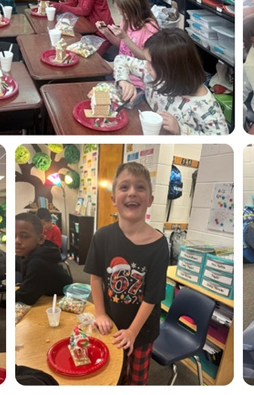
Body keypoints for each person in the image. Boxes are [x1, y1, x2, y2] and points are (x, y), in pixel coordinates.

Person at [84, 161, 168, 384]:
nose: (132, 192)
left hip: (142, 330)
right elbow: (96, 278)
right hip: (112, 323)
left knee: (136, 380)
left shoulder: (159, 244)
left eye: (140, 187)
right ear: (113, 199)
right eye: (124, 187)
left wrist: (132, 332)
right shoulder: (101, 236)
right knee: (113, 375)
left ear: (150, 200)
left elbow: (152, 296)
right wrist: (100, 314)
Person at [113, 29, 229, 135]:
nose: (146, 66)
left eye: (150, 62)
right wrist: (123, 81)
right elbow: (121, 60)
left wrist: (180, 129)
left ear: (171, 69)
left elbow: (220, 141)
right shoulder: (155, 74)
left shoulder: (207, 108)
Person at [15, 214, 72, 305]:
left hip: (59, 300)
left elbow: (26, 297)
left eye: (24, 236)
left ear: (41, 239)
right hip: (43, 293)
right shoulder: (25, 253)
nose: (16, 241)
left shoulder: (38, 263)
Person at [97, 0, 159, 66]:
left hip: (139, 74)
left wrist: (125, 37)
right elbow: (123, 46)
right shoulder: (127, 21)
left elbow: (146, 57)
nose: (119, 14)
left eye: (123, 12)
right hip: (123, 68)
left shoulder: (150, 28)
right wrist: (107, 33)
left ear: (135, 9)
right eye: (119, 11)